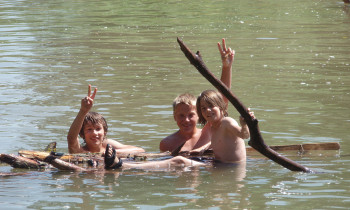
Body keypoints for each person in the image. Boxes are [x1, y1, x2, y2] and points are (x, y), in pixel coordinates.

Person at [159, 38, 235, 154]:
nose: (186, 120)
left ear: (199, 115)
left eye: (191, 115)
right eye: (181, 115)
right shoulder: (167, 143)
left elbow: (222, 100)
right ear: (174, 117)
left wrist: (226, 67)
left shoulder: (208, 131)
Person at [67, 85, 145, 154]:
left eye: (98, 129)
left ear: (105, 132)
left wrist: (110, 153)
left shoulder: (107, 145)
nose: (94, 133)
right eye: (89, 129)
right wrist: (83, 111)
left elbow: (140, 150)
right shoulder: (80, 151)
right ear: (82, 134)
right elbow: (71, 139)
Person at [196, 90, 255, 163]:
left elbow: (244, 135)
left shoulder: (227, 122)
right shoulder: (212, 128)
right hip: (220, 165)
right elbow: (219, 142)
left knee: (181, 161)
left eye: (211, 105)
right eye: (203, 108)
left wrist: (244, 124)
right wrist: (204, 148)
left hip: (233, 166)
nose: (207, 110)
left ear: (220, 107)